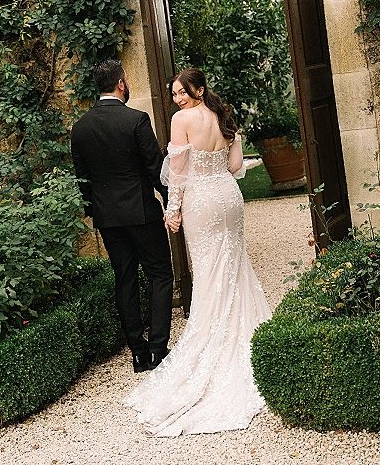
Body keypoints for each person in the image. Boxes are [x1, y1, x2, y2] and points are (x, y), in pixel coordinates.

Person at [124, 68, 272, 436]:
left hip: (201, 202)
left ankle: (215, 341)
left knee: (209, 271)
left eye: (181, 91)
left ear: (198, 89)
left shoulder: (181, 120)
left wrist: (172, 210)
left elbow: (176, 169)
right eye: (173, 94)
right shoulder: (224, 117)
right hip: (229, 196)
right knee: (234, 266)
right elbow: (236, 166)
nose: (177, 98)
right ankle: (251, 338)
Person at [70, 59, 173, 373]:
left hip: (108, 218)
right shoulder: (136, 120)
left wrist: (94, 211)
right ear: (120, 84)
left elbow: (82, 179)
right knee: (160, 275)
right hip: (142, 212)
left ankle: (138, 355)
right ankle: (157, 349)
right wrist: (172, 202)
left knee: (124, 279)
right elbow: (157, 170)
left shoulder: (80, 127)